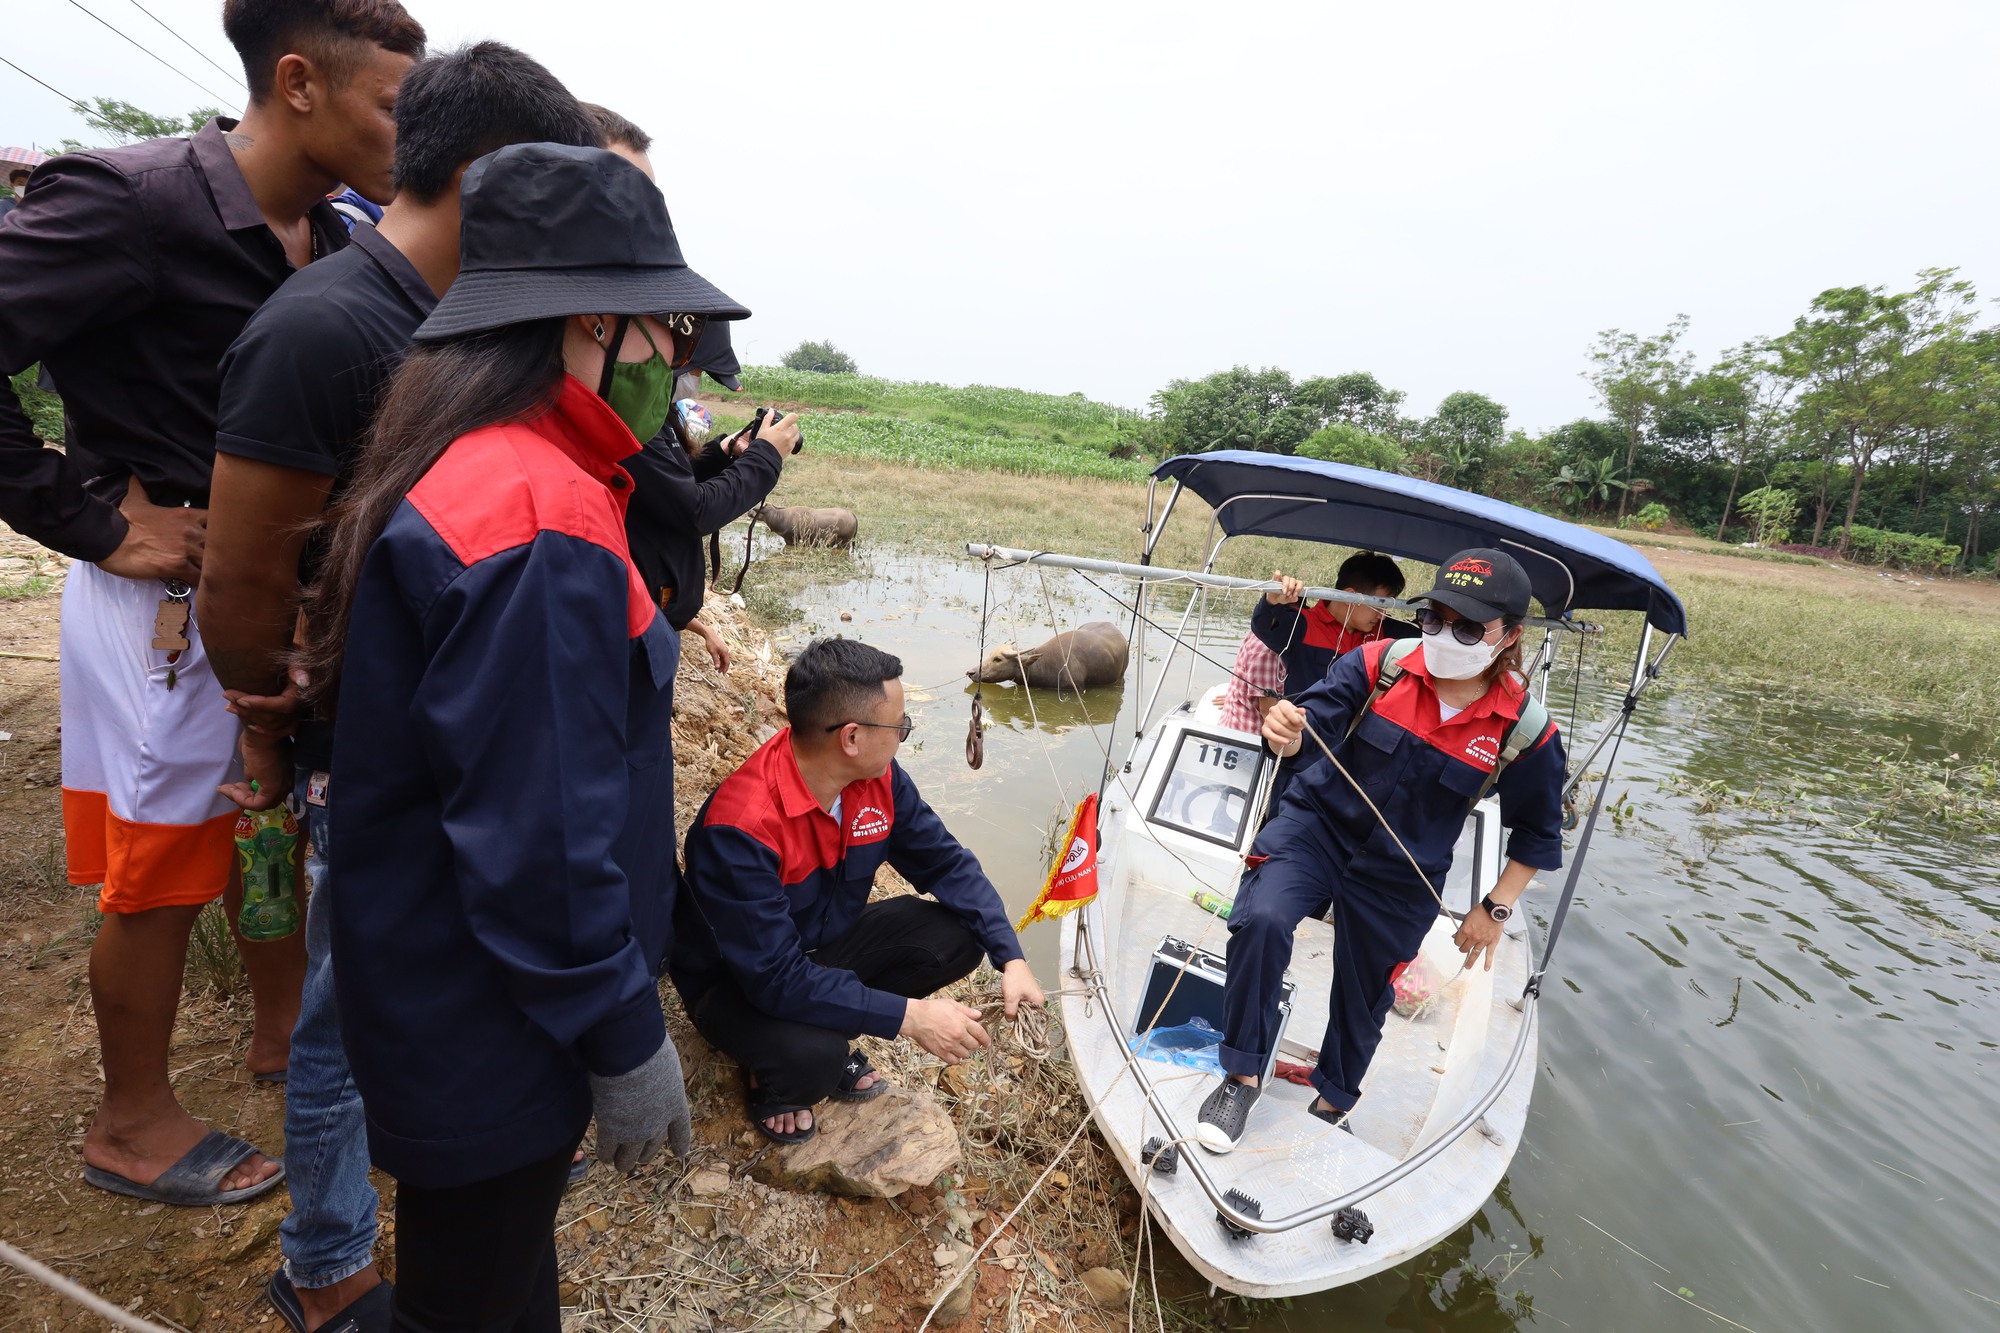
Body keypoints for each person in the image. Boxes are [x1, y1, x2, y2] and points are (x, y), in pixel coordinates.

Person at [295, 141, 741, 1333]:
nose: (673, 362)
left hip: (456, 982)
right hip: (493, 1012)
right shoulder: (538, 510)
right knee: (470, 1298)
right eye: (670, 334)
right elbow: (540, 832)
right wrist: (621, 1027)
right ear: (598, 319)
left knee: (486, 1278)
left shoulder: (496, 458)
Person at [196, 43, 599, 1333]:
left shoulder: (438, 327)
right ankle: (326, 1265)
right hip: (340, 746)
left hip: (403, 732)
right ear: (492, 180)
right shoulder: (326, 326)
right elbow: (246, 579)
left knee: (405, 991)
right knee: (339, 1011)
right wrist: (277, 725)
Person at [0, 0, 425, 1210]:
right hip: (172, 607)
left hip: (273, 600)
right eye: (393, 104)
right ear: (297, 81)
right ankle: (129, 1119)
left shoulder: (336, 237)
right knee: (163, 858)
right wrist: (89, 517)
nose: (413, 132)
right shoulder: (130, 201)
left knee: (264, 816)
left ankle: (284, 1033)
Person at [1195, 548, 1566, 1152]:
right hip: (1318, 828)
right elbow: (1308, 723)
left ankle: (1332, 1100)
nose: (1447, 636)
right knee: (1261, 920)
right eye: (1436, 618)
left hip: (1403, 871)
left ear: (1510, 635)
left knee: (1367, 991)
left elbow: (1538, 832)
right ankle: (1240, 1076)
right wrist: (1285, 730)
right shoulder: (1380, 663)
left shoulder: (1525, 728)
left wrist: (1494, 908)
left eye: (1469, 627)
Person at [674, 637, 1046, 1143]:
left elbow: (947, 863)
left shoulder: (879, 780)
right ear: (851, 737)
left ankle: (827, 1023)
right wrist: (909, 1017)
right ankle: (773, 1074)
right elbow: (774, 979)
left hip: (816, 950)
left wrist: (1012, 959)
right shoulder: (743, 828)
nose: (903, 736)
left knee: (959, 934)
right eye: (900, 727)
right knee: (816, 1060)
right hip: (737, 983)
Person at [581, 103, 795, 670]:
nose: (694, 388)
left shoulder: (675, 412)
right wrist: (765, 460)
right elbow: (691, 509)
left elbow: (676, 475)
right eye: (690, 373)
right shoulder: (635, 415)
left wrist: (728, 451)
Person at [1250, 550, 1417, 692]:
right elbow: (1263, 626)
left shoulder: (1387, 631)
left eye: (1387, 606)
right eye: (1379, 605)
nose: (1382, 615)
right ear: (1350, 596)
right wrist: (1272, 600)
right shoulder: (1303, 625)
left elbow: (1427, 634)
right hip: (1305, 726)